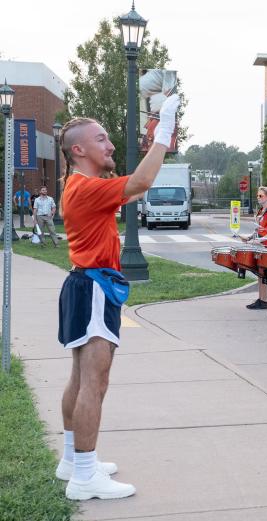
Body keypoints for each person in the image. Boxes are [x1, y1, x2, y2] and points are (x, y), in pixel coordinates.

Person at [56, 94, 181, 499]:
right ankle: (84, 477)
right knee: (96, 379)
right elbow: (142, 182)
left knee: (81, 376)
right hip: (94, 285)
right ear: (79, 150)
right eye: (102, 139)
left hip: (86, 283)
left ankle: (73, 460)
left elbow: (135, 189)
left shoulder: (85, 186)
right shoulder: (86, 187)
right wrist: (165, 128)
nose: (110, 145)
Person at [242, 186, 267, 310]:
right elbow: (258, 230)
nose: (258, 198)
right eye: (257, 196)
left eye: (261, 196)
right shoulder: (260, 211)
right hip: (259, 246)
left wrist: (262, 239)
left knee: (264, 274)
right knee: (259, 273)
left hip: (266, 247)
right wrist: (249, 238)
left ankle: (264, 301)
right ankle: (261, 299)